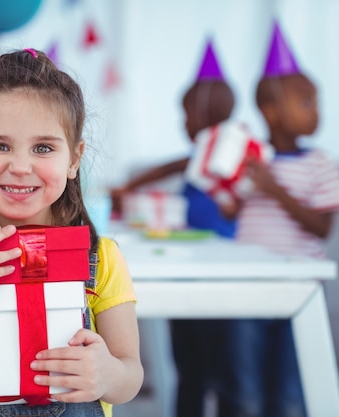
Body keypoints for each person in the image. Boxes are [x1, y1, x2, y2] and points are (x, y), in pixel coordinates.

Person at [0, 48, 143, 417]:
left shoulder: (101, 257)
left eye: (43, 148)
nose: (21, 167)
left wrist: (108, 374)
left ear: (73, 159)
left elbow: (130, 374)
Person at [218, 22, 339, 417]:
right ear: (270, 111)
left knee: (289, 394)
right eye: (306, 102)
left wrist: (275, 190)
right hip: (247, 285)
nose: (316, 112)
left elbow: (322, 228)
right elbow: (233, 212)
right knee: (245, 393)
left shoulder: (320, 165)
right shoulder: (252, 161)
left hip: (298, 289)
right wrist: (229, 187)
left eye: (316, 101)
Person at [112, 40, 237, 416]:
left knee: (214, 365)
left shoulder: (228, 154)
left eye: (187, 115)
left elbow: (230, 200)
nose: (183, 124)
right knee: (189, 361)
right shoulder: (199, 154)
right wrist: (130, 188)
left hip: (218, 269)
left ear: (206, 113)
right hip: (189, 264)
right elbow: (170, 167)